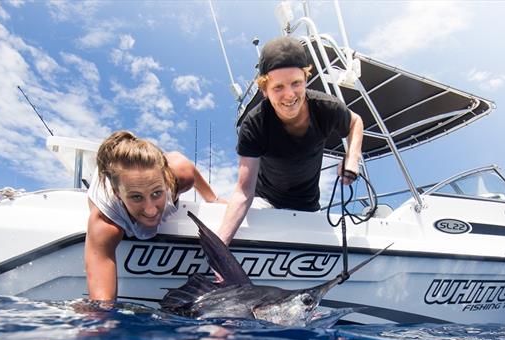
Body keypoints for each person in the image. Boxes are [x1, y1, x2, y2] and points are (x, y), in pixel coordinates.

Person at [216, 36, 364, 245]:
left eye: (296, 83)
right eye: (278, 87)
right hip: (265, 201)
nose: (289, 94)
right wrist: (220, 245)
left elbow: (355, 122)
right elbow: (243, 191)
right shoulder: (254, 124)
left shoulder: (326, 107)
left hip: (309, 205)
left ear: (305, 79)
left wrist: (352, 157)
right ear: (264, 91)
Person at [85, 130, 222, 301]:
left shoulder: (179, 177)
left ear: (166, 181)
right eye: (136, 197)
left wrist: (213, 199)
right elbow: (101, 304)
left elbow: (189, 169)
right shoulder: (106, 222)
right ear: (118, 194)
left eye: (157, 193)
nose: (151, 210)